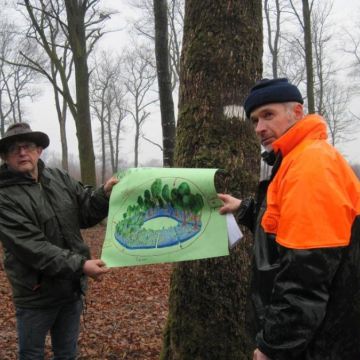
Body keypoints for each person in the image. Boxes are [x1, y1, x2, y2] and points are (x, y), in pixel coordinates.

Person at [218, 78, 360, 360]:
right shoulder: (294, 160)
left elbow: (305, 277)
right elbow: (283, 227)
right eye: (254, 120)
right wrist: (246, 209)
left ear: (296, 112)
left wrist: (274, 347)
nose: (259, 128)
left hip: (321, 341)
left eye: (268, 115)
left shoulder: (311, 166)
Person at [0, 122, 118, 359]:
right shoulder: (4, 197)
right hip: (36, 295)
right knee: (32, 354)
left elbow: (85, 210)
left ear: (39, 150)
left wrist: (103, 194)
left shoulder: (59, 178)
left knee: (67, 353)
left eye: (28, 146)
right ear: (5, 157)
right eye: (15, 149)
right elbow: (33, 248)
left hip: (70, 289)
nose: (22, 153)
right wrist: (81, 265)